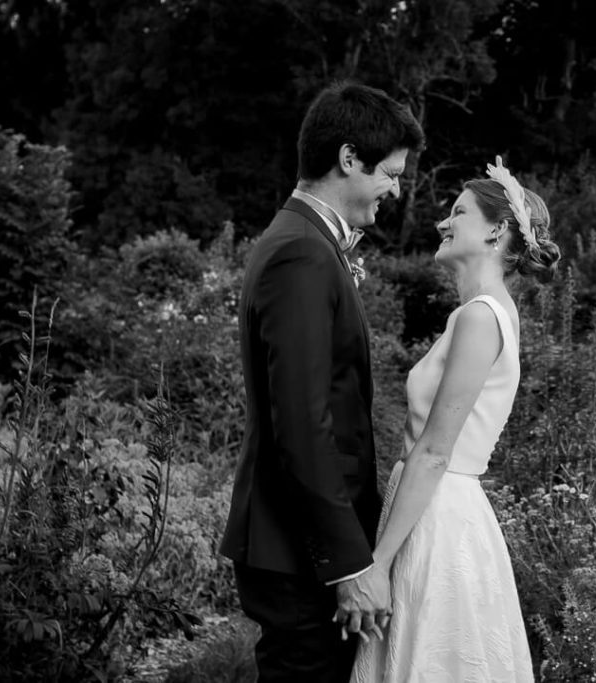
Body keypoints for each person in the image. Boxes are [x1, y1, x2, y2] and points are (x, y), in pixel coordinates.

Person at [219, 82, 424, 683]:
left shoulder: (303, 241)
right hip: (302, 555)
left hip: (299, 547)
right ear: (349, 159)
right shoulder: (302, 254)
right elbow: (303, 423)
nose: (395, 188)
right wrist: (346, 563)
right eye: (389, 172)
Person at [351, 157, 562, 682]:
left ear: (496, 231)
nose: (444, 222)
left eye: (459, 211)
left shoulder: (480, 316)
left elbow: (435, 450)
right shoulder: (489, 312)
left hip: (438, 515)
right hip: (434, 508)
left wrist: (376, 564)